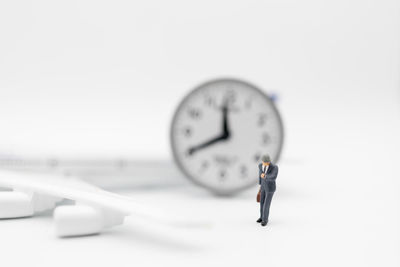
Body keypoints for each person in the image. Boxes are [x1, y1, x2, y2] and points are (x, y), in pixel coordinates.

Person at [257, 154, 278, 226]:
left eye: (267, 162)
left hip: (270, 188)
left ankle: (265, 220)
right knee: (261, 203)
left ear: (269, 161)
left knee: (266, 204)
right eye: (264, 162)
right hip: (263, 187)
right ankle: (262, 217)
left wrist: (265, 176)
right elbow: (260, 175)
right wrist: (260, 186)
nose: (265, 163)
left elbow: (273, 177)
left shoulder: (274, 167)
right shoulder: (260, 166)